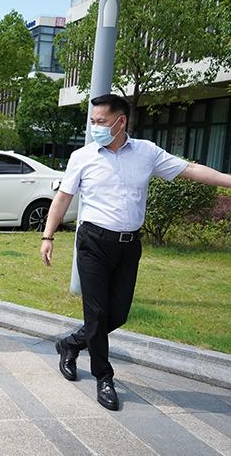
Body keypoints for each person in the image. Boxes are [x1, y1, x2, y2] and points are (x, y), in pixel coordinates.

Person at [40, 94, 231, 411]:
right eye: (93, 122)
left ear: (121, 121)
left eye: (101, 122)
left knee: (117, 314)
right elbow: (62, 198)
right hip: (93, 242)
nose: (95, 127)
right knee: (98, 314)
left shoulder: (146, 152)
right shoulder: (83, 157)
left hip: (129, 245)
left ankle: (71, 343)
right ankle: (104, 377)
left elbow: (192, 171)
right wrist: (48, 235)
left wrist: (228, 181)